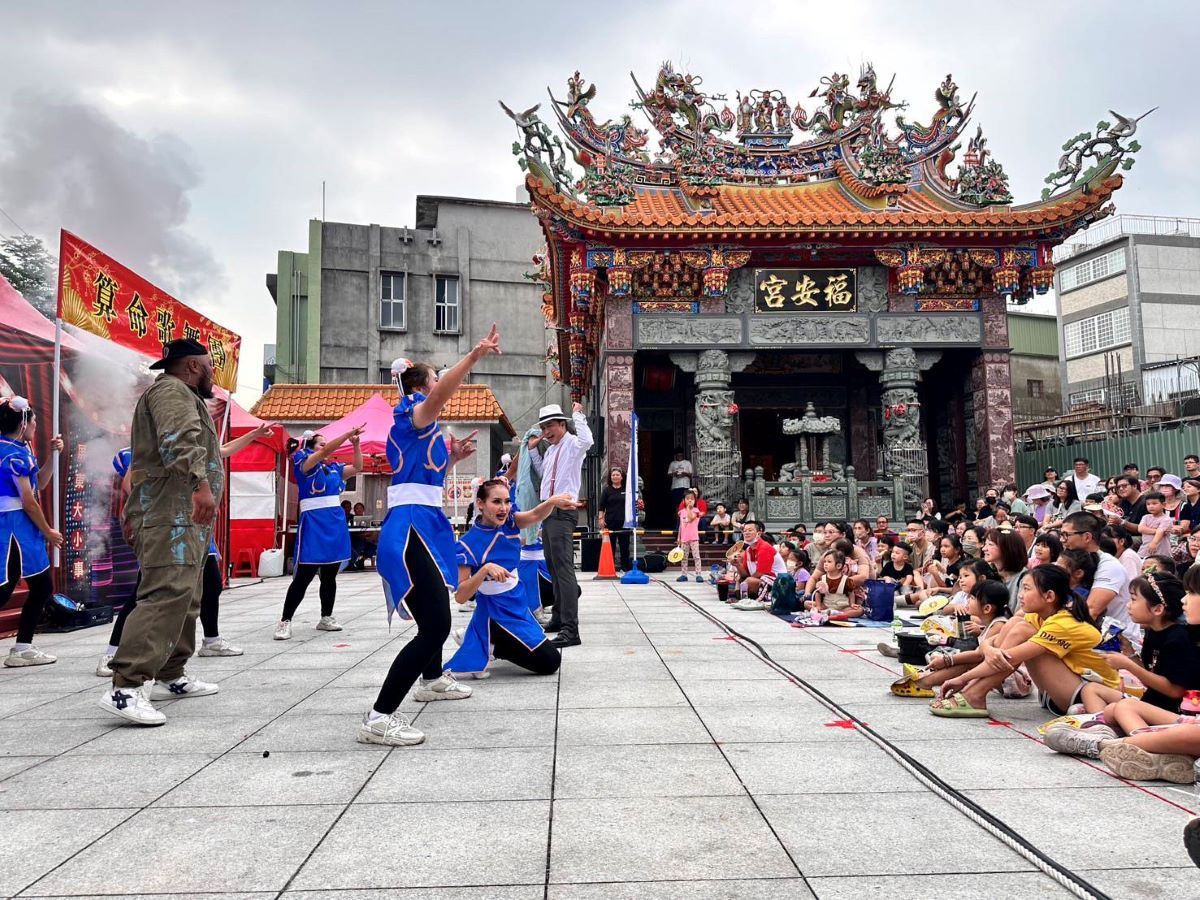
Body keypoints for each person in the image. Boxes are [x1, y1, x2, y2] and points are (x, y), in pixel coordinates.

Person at [360, 331, 499, 747]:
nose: (440, 384)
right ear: (422, 386)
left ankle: (433, 678)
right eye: (435, 378)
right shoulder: (410, 416)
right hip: (409, 530)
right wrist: (474, 355)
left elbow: (423, 475)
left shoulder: (424, 429)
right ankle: (379, 716)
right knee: (436, 624)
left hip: (427, 524)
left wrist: (453, 458)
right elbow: (440, 398)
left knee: (434, 614)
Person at [97, 339, 223, 725]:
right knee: (165, 592)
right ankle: (127, 686)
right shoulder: (171, 392)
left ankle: (172, 673)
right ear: (192, 367)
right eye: (209, 365)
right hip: (171, 509)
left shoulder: (182, 393)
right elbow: (178, 441)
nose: (213, 372)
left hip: (182, 513)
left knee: (187, 595)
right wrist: (200, 485)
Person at [96, 422, 278, 675]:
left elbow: (222, 450)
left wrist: (255, 434)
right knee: (144, 591)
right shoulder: (145, 450)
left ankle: (211, 641)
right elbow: (131, 486)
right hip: (165, 524)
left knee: (212, 583)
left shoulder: (192, 448)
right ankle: (112, 653)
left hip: (196, 524)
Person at [932, 565, 1118, 718]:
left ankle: (974, 694)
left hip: (1091, 697)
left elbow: (1009, 656)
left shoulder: (1063, 623)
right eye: (1021, 589)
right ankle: (974, 694)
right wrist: (990, 649)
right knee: (1016, 623)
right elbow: (990, 646)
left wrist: (962, 679)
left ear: (1049, 596)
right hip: (1060, 693)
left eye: (1027, 589)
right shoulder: (1038, 616)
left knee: (1022, 634)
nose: (1020, 595)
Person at [444, 479, 577, 678]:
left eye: (507, 501)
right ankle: (489, 639)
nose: (504, 508)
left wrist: (552, 502)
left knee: (548, 655)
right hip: (496, 611)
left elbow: (534, 515)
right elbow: (461, 597)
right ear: (480, 503)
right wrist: (484, 570)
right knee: (550, 661)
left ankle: (488, 640)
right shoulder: (468, 544)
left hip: (517, 602)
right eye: (496, 502)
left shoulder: (510, 522)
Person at [274, 425, 364, 640]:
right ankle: (285, 620)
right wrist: (346, 434)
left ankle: (326, 616)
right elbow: (322, 453)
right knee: (304, 575)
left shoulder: (333, 468)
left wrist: (356, 445)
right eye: (322, 442)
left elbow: (358, 467)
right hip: (314, 521)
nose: (326, 446)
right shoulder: (303, 464)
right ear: (311, 446)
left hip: (334, 520)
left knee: (330, 575)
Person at [0, 397, 64, 668]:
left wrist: (53, 456)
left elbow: (41, 482)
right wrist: (48, 531)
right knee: (12, 588)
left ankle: (23, 647)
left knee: (33, 585)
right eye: (34, 421)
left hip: (18, 525)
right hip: (15, 526)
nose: (36, 426)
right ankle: (23, 648)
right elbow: (28, 500)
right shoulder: (13, 453)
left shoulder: (17, 449)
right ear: (23, 423)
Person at [529, 401, 592, 648]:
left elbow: (588, 441)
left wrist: (579, 415)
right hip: (548, 512)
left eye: (550, 426)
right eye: (544, 427)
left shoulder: (574, 445)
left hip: (563, 511)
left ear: (562, 424)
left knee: (564, 569)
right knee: (553, 566)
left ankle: (570, 629)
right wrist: (534, 450)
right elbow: (542, 474)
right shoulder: (552, 450)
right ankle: (557, 617)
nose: (547, 431)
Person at [598, 467, 631, 572]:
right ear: (610, 477)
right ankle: (609, 567)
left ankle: (625, 567)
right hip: (610, 522)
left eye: (617, 475)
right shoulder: (607, 490)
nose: (615, 477)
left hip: (624, 523)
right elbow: (601, 507)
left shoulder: (627, 490)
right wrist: (601, 519)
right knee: (610, 546)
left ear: (621, 477)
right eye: (613, 475)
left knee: (624, 546)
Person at [676, 489, 703, 583]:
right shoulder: (681, 512)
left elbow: (691, 518)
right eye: (687, 498)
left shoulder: (696, 510)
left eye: (692, 499)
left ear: (695, 500)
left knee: (696, 557)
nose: (690, 500)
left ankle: (698, 574)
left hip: (694, 538)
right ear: (684, 500)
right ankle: (684, 574)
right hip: (684, 538)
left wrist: (688, 508)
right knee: (684, 557)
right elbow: (681, 525)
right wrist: (678, 537)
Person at [1137, 491, 1172, 559]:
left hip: (1161, 551)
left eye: (1154, 503)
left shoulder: (1166, 519)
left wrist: (1154, 543)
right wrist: (1157, 530)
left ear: (1163, 505)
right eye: (1148, 504)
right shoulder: (1145, 517)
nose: (1151, 506)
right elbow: (1140, 529)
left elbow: (1160, 531)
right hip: (1145, 548)